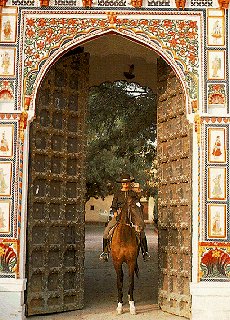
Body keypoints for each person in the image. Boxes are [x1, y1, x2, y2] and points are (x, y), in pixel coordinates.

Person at [99, 173, 150, 262]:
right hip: (119, 216)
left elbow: (138, 204)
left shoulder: (133, 194)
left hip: (132, 216)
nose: (125, 185)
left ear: (129, 183)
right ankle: (105, 252)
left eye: (127, 183)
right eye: (124, 183)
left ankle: (145, 252)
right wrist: (115, 213)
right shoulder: (118, 194)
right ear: (122, 184)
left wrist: (138, 211)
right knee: (106, 232)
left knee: (142, 232)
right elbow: (113, 206)